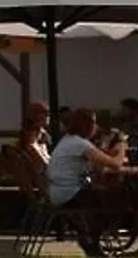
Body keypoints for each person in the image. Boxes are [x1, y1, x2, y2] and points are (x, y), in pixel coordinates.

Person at [48, 108, 128, 256]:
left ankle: (88, 238)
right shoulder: (80, 144)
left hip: (59, 192)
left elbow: (100, 163)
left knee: (106, 196)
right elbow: (115, 165)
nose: (96, 127)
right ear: (87, 125)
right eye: (94, 123)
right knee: (120, 199)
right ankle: (92, 240)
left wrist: (111, 154)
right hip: (70, 193)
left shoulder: (68, 141)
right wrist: (122, 146)